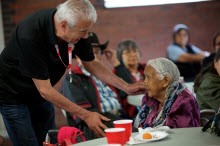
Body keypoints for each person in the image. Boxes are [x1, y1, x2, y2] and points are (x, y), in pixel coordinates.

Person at [0, 1, 145, 146]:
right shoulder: (31, 35)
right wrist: (86, 115)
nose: (86, 36)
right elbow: (45, 90)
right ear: (63, 25)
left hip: (41, 94)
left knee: (47, 141)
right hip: (13, 95)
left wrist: (126, 86)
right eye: (83, 31)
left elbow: (92, 63)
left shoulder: (76, 28)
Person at [60, 32, 122, 140]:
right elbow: (83, 112)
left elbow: (128, 94)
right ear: (77, 57)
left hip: (121, 117)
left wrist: (117, 64)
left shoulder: (107, 76)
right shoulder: (72, 79)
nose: (93, 56)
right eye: (88, 52)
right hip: (95, 125)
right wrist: (114, 120)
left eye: (97, 52)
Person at [134, 58, 200, 128]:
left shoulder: (184, 102)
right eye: (145, 77)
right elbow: (140, 128)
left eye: (148, 77)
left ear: (166, 81)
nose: (145, 82)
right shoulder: (149, 97)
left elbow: (182, 135)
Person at [104, 40, 145, 119]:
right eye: (127, 52)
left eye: (135, 51)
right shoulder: (115, 74)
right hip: (131, 114)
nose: (132, 55)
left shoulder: (147, 69)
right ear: (120, 56)